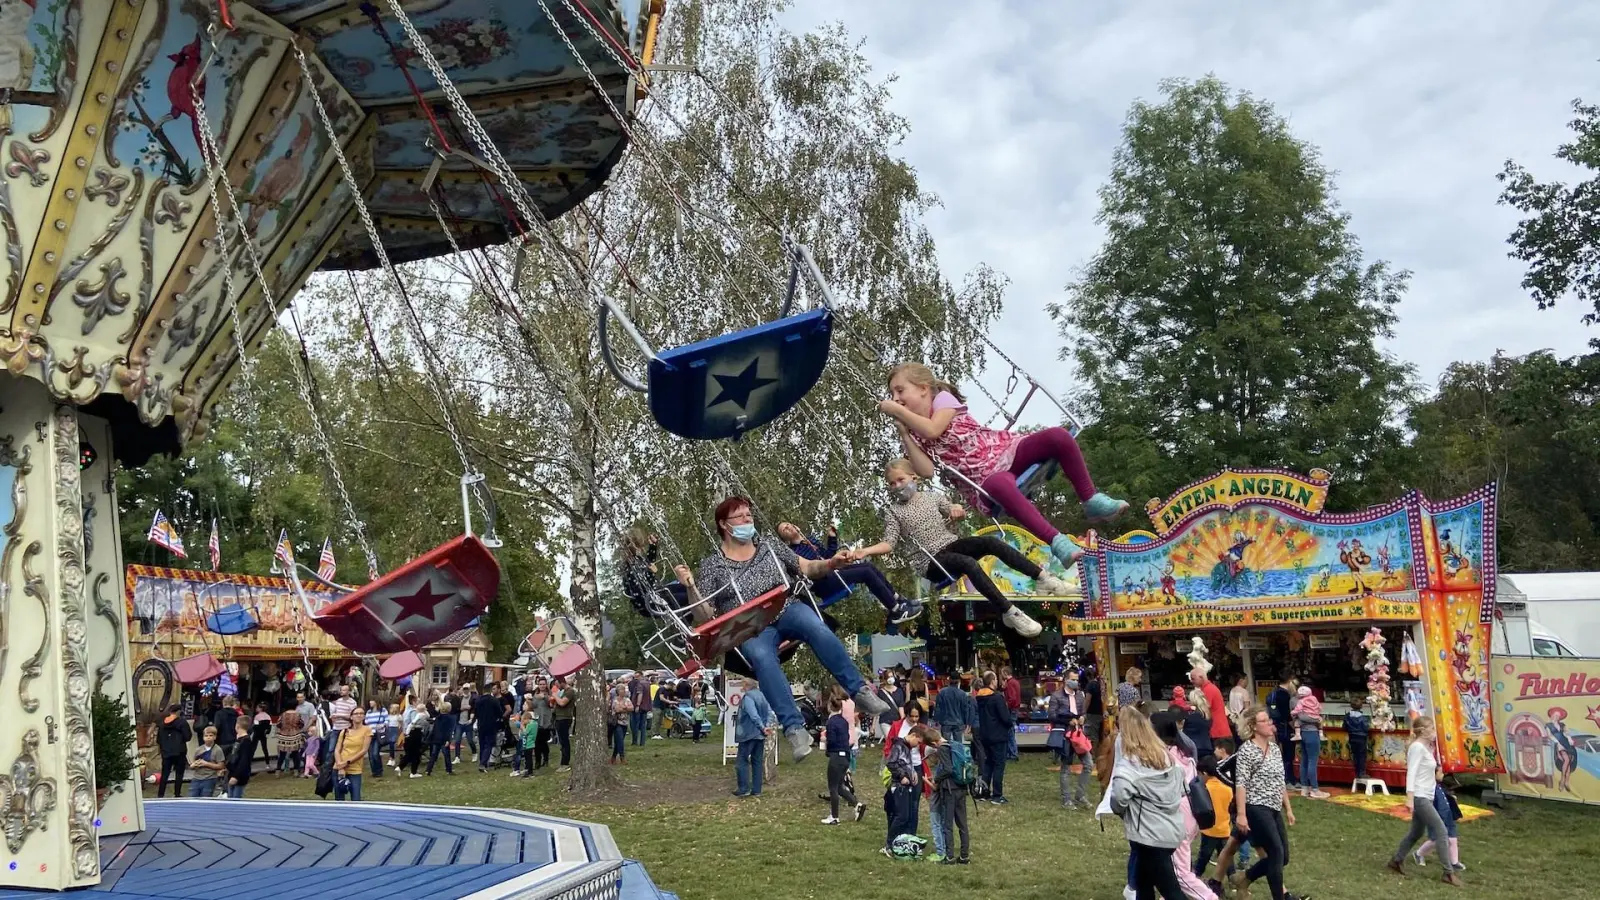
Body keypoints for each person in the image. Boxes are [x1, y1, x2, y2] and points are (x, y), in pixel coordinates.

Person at [674, 496, 892, 764]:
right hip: (750, 627)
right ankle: (794, 729)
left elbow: (809, 567)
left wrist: (832, 563)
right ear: (724, 525)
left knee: (817, 627)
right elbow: (705, 614)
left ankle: (859, 691)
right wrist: (690, 587)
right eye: (740, 517)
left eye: (749, 515)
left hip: (785, 609)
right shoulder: (713, 566)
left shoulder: (769, 547)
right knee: (763, 659)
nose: (747, 520)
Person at [880, 361, 1128, 568]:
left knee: (1058, 436)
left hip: (1004, 450)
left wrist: (898, 412)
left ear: (924, 388)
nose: (896, 399)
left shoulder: (943, 400)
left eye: (900, 391)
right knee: (999, 484)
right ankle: (1057, 542)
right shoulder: (913, 434)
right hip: (982, 481)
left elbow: (933, 429)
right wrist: (904, 433)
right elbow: (926, 471)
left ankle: (1091, 499)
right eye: (892, 395)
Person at [854, 460, 1073, 639]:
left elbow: (952, 508)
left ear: (914, 477)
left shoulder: (932, 497)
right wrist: (866, 551)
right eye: (892, 484)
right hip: (930, 561)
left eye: (901, 480)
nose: (898, 487)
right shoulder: (894, 511)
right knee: (968, 563)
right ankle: (1010, 612)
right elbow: (889, 543)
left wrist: (957, 509)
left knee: (991, 543)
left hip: (949, 544)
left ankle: (1043, 578)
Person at [1108, 707, 1188, 900]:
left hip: (1149, 835)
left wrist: (1121, 811)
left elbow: (1119, 796)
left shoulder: (1131, 763)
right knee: (1143, 886)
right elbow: (1183, 787)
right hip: (1170, 828)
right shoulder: (1165, 757)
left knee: (1172, 892)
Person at [777, 521, 922, 624]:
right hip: (823, 583)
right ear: (785, 540)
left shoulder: (811, 540)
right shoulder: (793, 553)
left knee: (868, 566)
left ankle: (898, 599)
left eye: (788, 524)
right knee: (865, 573)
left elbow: (828, 556)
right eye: (784, 530)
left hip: (834, 573)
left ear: (796, 526)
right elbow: (810, 569)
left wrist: (832, 538)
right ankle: (895, 609)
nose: (788, 528)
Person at [1231, 707, 1303, 900]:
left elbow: (1280, 781)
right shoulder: (1247, 750)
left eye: (1269, 720)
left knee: (1283, 857)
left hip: (1273, 807)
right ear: (1254, 726)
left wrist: (1288, 808)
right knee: (1276, 851)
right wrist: (1241, 814)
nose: (1270, 724)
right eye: (1265, 721)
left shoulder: (1274, 749)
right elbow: (1241, 783)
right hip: (1255, 807)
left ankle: (1245, 877)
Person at [1386, 716, 1463, 886]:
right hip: (1420, 797)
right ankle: (1448, 873)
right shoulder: (1417, 748)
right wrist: (1410, 797)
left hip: (1427, 795)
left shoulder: (1427, 749)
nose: (1435, 733)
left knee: (1416, 833)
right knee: (1442, 831)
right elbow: (1411, 772)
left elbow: (1429, 774)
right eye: (1432, 729)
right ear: (1424, 730)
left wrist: (1439, 774)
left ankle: (1396, 861)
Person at [1153, 712, 1216, 900]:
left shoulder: (1165, 757)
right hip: (1191, 811)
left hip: (1178, 813)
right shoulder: (1182, 751)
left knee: (1181, 873)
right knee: (1168, 866)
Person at [883, 723, 928, 857]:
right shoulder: (898, 746)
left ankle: (898, 843)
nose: (917, 745)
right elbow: (891, 762)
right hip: (899, 787)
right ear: (913, 735)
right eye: (918, 742)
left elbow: (906, 763)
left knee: (906, 816)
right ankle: (889, 844)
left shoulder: (906, 748)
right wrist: (902, 776)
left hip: (907, 786)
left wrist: (912, 773)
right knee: (901, 816)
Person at [929, 727, 971, 865]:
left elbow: (947, 769)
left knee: (948, 824)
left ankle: (950, 856)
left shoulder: (942, 749)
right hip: (962, 787)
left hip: (949, 790)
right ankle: (964, 856)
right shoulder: (955, 744)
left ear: (934, 743)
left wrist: (936, 779)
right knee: (962, 824)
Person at [821, 698, 865, 824]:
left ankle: (834, 816)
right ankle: (857, 804)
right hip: (845, 756)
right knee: (840, 787)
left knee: (833, 787)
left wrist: (825, 741)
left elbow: (832, 740)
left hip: (836, 757)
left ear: (830, 706)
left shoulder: (831, 722)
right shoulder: (844, 721)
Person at [1052, 672, 1093, 809]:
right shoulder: (1056, 696)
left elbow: (1083, 713)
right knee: (1066, 768)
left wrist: (1082, 718)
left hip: (1078, 735)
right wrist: (1068, 720)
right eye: (1072, 679)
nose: (1075, 682)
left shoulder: (1080, 696)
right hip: (1065, 735)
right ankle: (1066, 799)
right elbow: (1052, 716)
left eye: (1076, 679)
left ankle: (1080, 795)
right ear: (1065, 680)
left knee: (1088, 764)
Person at [1193, 754, 1235, 882]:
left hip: (1209, 830)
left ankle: (1195, 877)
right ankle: (1234, 881)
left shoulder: (1205, 789)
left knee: (1203, 857)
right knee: (1227, 857)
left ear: (1204, 772)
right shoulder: (1228, 787)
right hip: (1225, 830)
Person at [974, 671, 1014, 804]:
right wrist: (1010, 724)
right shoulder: (997, 697)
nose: (997, 681)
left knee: (988, 763)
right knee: (999, 764)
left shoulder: (979, 697)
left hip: (985, 734)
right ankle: (997, 795)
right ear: (992, 681)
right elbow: (1005, 717)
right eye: (996, 679)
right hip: (998, 735)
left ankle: (983, 793)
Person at [1414, 779, 1468, 874]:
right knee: (1436, 839)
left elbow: (1445, 799)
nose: (1443, 775)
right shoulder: (1430, 788)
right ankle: (1419, 853)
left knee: (1452, 838)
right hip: (1438, 816)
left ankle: (1454, 862)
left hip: (1448, 815)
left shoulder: (1440, 786)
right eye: (1440, 772)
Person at [734, 679, 774, 798]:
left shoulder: (748, 697)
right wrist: (766, 727)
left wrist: (762, 727)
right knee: (757, 762)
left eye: (743, 685)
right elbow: (769, 713)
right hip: (760, 735)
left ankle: (744, 789)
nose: (742, 687)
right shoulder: (762, 696)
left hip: (748, 733)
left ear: (747, 686)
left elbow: (753, 715)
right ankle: (757, 790)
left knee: (742, 761)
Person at [1291, 686, 1326, 798]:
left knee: (1304, 761)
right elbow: (1319, 710)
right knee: (1312, 761)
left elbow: (1296, 715)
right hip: (1312, 733)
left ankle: (1304, 788)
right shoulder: (1313, 701)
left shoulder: (1298, 703)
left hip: (1302, 733)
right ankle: (1315, 789)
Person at [932, 670, 977, 749]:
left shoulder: (942, 692)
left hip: (945, 721)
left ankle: (946, 760)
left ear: (949, 680)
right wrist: (967, 722)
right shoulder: (962, 694)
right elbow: (965, 709)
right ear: (958, 681)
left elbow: (938, 707)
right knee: (958, 745)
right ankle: (957, 760)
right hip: (958, 722)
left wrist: (936, 720)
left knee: (945, 744)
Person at [1192, 668, 1233, 754]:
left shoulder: (1208, 690)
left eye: (1193, 679)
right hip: (1219, 730)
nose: (1192, 681)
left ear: (1201, 677)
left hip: (1216, 731)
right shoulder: (1210, 688)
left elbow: (1204, 708)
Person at [1266, 675, 1297, 789]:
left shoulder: (1273, 692)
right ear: (1289, 681)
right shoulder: (1284, 695)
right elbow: (1287, 715)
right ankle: (1289, 779)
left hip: (1276, 726)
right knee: (1288, 754)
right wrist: (1294, 727)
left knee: (1279, 754)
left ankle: (1283, 778)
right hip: (1285, 728)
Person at [156, 705, 193, 798]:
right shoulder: (182, 722)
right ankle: (177, 794)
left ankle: (160, 795)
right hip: (179, 751)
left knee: (165, 774)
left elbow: (158, 739)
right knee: (179, 774)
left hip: (166, 752)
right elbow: (188, 737)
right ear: (178, 711)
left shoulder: (162, 723)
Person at [334, 715, 373, 801]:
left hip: (355, 768)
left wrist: (347, 763)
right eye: (356, 713)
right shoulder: (344, 731)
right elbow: (337, 750)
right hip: (339, 767)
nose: (359, 715)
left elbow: (364, 750)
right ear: (351, 717)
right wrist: (340, 765)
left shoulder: (367, 730)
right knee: (339, 798)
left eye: (361, 713)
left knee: (356, 798)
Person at [474, 683, 504, 772]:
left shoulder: (478, 700)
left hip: (481, 724)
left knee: (482, 744)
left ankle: (482, 762)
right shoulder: (494, 700)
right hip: (491, 724)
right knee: (489, 744)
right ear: (490, 690)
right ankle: (483, 763)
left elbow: (476, 713)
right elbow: (499, 712)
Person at [189, 726, 226, 798]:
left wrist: (206, 764)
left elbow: (221, 766)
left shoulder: (218, 750)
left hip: (209, 779)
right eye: (206, 735)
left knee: (205, 799)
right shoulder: (198, 750)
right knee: (192, 798)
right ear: (203, 737)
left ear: (215, 737)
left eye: (211, 735)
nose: (208, 737)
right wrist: (193, 765)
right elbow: (193, 764)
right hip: (196, 778)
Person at [225, 720, 254, 799]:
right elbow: (233, 756)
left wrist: (236, 776)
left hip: (239, 776)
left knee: (235, 799)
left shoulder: (246, 742)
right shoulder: (239, 740)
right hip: (232, 772)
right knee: (230, 797)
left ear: (237, 726)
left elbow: (244, 761)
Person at [427, 700, 457, 775]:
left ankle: (428, 769)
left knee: (434, 755)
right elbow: (448, 730)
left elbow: (435, 728)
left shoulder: (438, 718)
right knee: (446, 755)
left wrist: (431, 737)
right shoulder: (450, 718)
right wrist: (448, 739)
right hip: (444, 739)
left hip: (436, 738)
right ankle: (448, 770)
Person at [551, 678, 575, 769]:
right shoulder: (563, 691)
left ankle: (565, 763)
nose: (556, 687)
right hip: (558, 717)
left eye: (557, 685)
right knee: (561, 741)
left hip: (564, 718)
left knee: (564, 741)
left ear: (562, 682)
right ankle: (563, 762)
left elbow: (562, 703)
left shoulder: (570, 691)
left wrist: (555, 695)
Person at [403, 701, 430, 778]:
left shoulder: (420, 714)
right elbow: (413, 723)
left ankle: (411, 769)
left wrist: (407, 732)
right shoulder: (423, 715)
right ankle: (413, 771)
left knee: (415, 750)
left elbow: (413, 723)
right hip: (418, 731)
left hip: (417, 730)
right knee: (416, 750)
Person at [275, 704, 305, 775]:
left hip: (284, 735)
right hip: (295, 735)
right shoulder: (298, 714)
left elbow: (278, 724)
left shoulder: (283, 714)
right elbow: (301, 724)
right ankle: (296, 771)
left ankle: (278, 771)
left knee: (282, 753)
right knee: (295, 753)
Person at [610, 677, 633, 765]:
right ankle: (622, 757)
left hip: (625, 723)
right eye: (622, 690)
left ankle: (613, 757)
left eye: (624, 690)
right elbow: (617, 709)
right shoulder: (615, 700)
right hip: (617, 723)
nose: (624, 691)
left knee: (618, 741)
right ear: (618, 691)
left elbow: (632, 708)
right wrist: (626, 708)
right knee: (620, 740)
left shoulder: (627, 699)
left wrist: (625, 708)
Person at [1344, 703, 1370, 782]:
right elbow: (1366, 727)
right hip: (1361, 738)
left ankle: (1357, 772)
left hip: (1352, 737)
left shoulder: (1347, 717)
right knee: (1361, 755)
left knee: (1355, 755)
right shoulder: (1363, 718)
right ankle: (1362, 773)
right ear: (1361, 707)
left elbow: (1344, 727)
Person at [1001, 667, 1023, 760]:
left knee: (1009, 732)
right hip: (1015, 709)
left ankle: (1013, 753)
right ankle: (1012, 753)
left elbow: (1012, 698)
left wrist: (1006, 705)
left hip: (1011, 709)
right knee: (1011, 731)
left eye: (1002, 673)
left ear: (1005, 673)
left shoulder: (1010, 683)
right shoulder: (1015, 682)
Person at [531, 683, 554, 770]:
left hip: (546, 721)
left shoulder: (549, 695)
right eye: (540, 684)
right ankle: (537, 761)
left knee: (543, 742)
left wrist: (544, 697)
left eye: (544, 684)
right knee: (536, 742)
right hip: (537, 720)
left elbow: (551, 705)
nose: (542, 686)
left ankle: (546, 759)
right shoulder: (535, 695)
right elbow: (533, 706)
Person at [364, 700, 388, 778]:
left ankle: (379, 770)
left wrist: (382, 725)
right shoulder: (368, 712)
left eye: (372, 701)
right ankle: (374, 771)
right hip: (369, 734)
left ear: (376, 702)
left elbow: (387, 720)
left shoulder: (382, 711)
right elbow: (366, 722)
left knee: (375, 753)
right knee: (370, 755)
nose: (370, 703)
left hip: (378, 734)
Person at [213, 696, 240, 761]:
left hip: (222, 741)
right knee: (231, 762)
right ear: (232, 703)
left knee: (220, 762)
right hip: (234, 741)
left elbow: (217, 726)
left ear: (223, 703)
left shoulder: (219, 713)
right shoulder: (236, 714)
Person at [628, 669, 650, 747]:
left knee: (635, 724)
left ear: (639, 676)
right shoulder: (647, 683)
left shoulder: (639, 684)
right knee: (643, 725)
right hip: (646, 706)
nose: (635, 679)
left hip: (639, 706)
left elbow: (640, 694)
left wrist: (637, 705)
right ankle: (642, 742)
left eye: (636, 677)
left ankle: (635, 741)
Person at [251, 703, 274, 767]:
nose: (256, 709)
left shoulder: (257, 716)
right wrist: (267, 732)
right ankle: (267, 764)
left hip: (257, 734)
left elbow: (255, 726)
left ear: (260, 709)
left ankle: (249, 762)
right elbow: (270, 726)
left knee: (253, 748)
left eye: (257, 707)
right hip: (263, 734)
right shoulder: (268, 716)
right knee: (265, 749)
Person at [303, 711, 324, 778]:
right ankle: (306, 774)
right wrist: (304, 752)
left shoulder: (316, 739)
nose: (308, 732)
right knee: (307, 764)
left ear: (313, 732)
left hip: (313, 754)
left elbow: (317, 747)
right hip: (308, 753)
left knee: (311, 764)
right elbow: (308, 746)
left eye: (310, 731)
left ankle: (317, 772)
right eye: (308, 731)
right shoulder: (309, 739)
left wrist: (315, 753)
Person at [383, 703, 402, 768]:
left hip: (394, 729)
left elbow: (400, 723)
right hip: (389, 729)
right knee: (390, 743)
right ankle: (391, 758)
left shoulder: (398, 716)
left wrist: (399, 730)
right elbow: (387, 723)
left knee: (392, 743)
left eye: (394, 708)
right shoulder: (389, 716)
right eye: (392, 708)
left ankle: (392, 759)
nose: (393, 710)